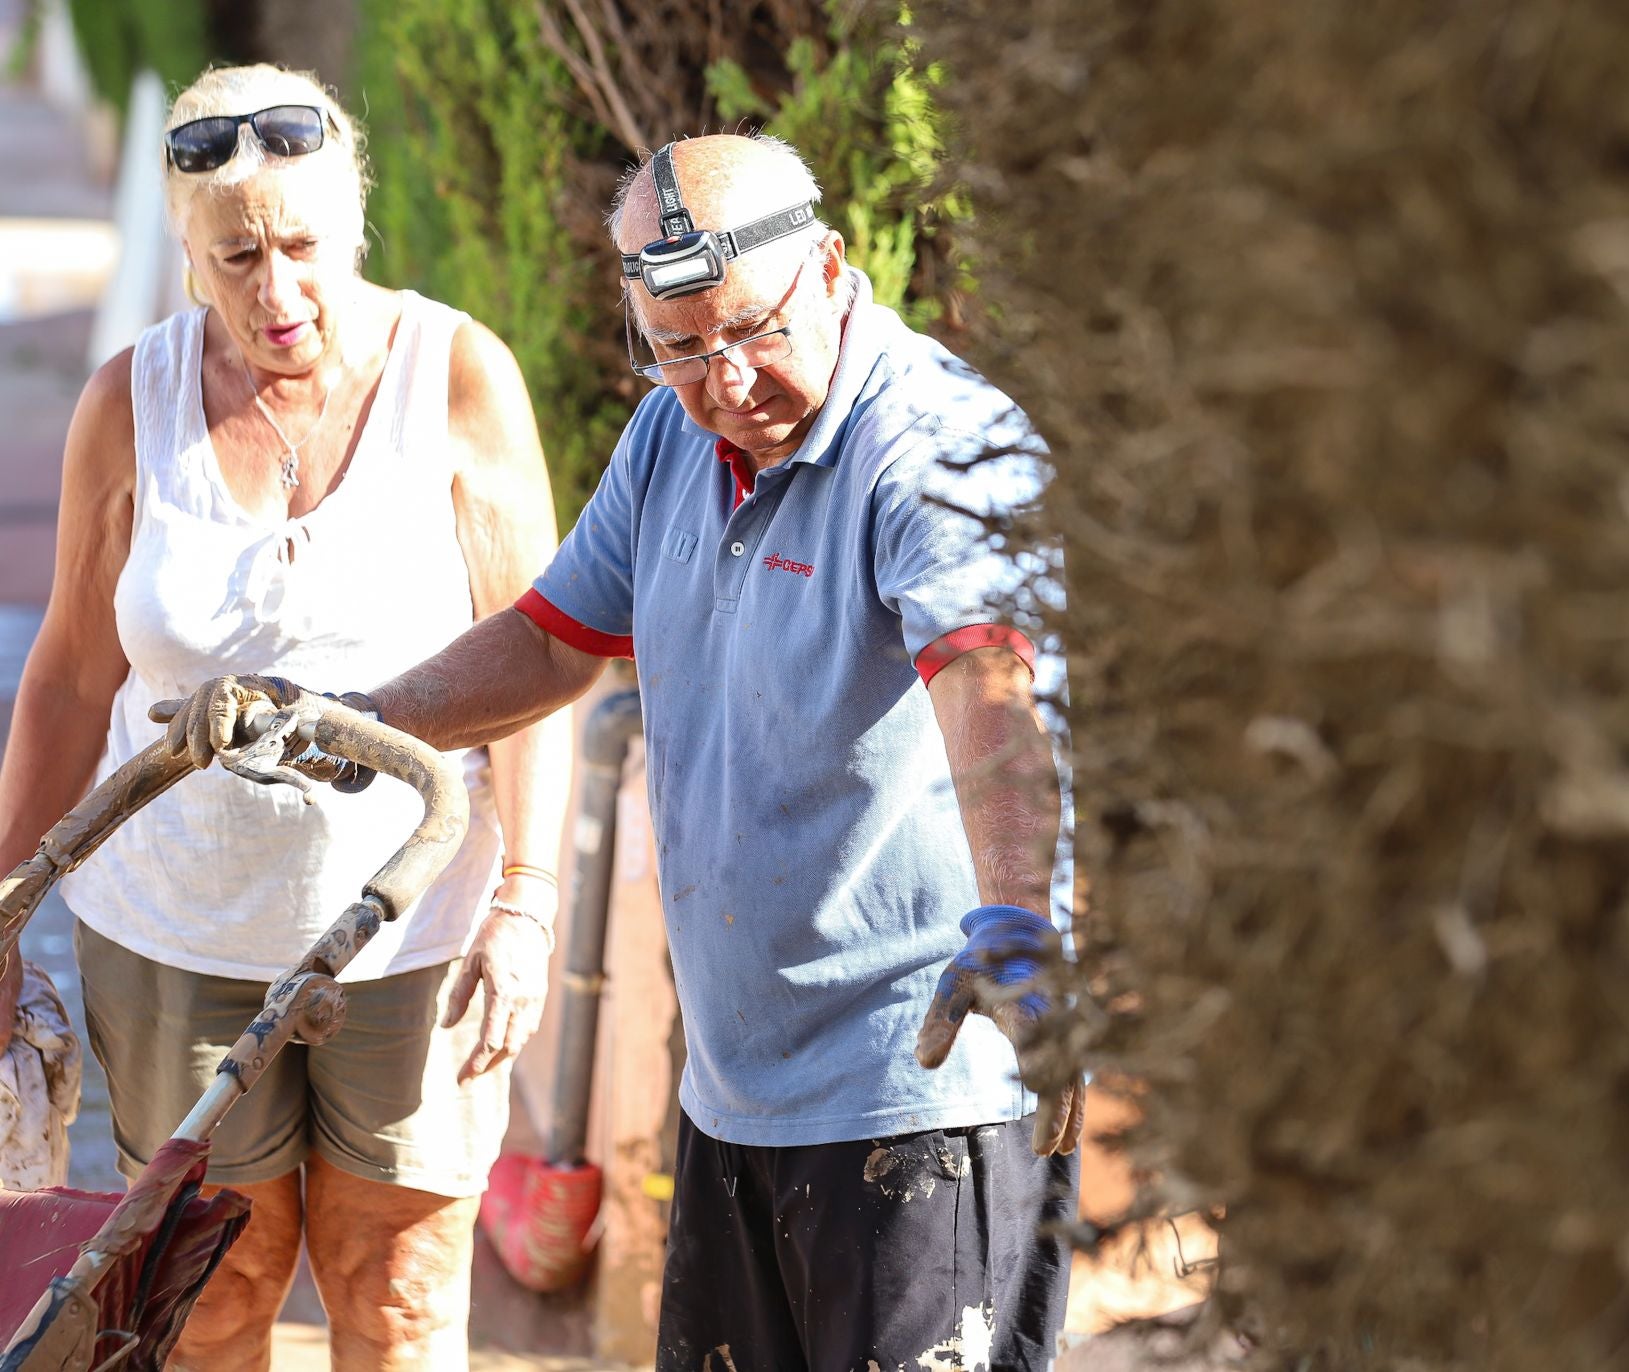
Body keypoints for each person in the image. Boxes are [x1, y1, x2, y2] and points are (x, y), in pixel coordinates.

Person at [163, 132, 1087, 1370]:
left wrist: (1021, 924)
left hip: (925, 1091)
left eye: (752, 330)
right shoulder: (671, 442)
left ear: (829, 268)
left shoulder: (928, 445)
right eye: (681, 346)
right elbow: (552, 643)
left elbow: (989, 683)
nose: (727, 377)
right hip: (737, 1091)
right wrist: (352, 721)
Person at [0, 64, 571, 1370]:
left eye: (303, 245)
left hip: (413, 932)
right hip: (172, 933)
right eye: (237, 254)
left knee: (404, 1291)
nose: (278, 291)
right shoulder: (125, 405)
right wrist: (5, 906)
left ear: (355, 221)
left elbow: (543, 657)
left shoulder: (457, 374)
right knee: (210, 1294)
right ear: (190, 255)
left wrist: (527, 900)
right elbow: (70, 676)